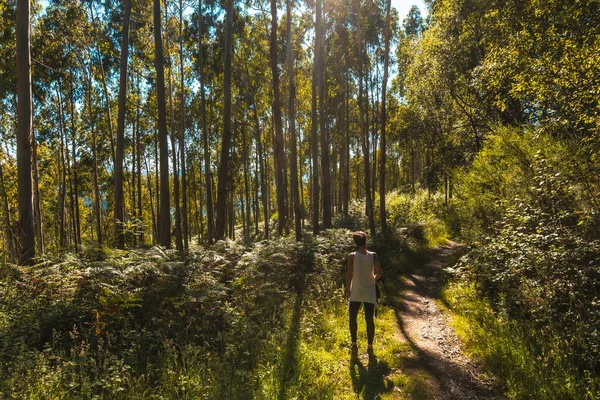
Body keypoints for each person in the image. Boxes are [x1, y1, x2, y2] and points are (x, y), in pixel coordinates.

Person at [345, 231, 383, 351]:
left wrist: (348, 290)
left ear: (355, 242)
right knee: (369, 319)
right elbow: (380, 272)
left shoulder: (352, 256)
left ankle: (354, 343)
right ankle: (370, 346)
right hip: (369, 291)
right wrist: (373, 280)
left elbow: (349, 275)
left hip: (356, 290)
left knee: (352, 317)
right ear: (365, 241)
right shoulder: (373, 255)